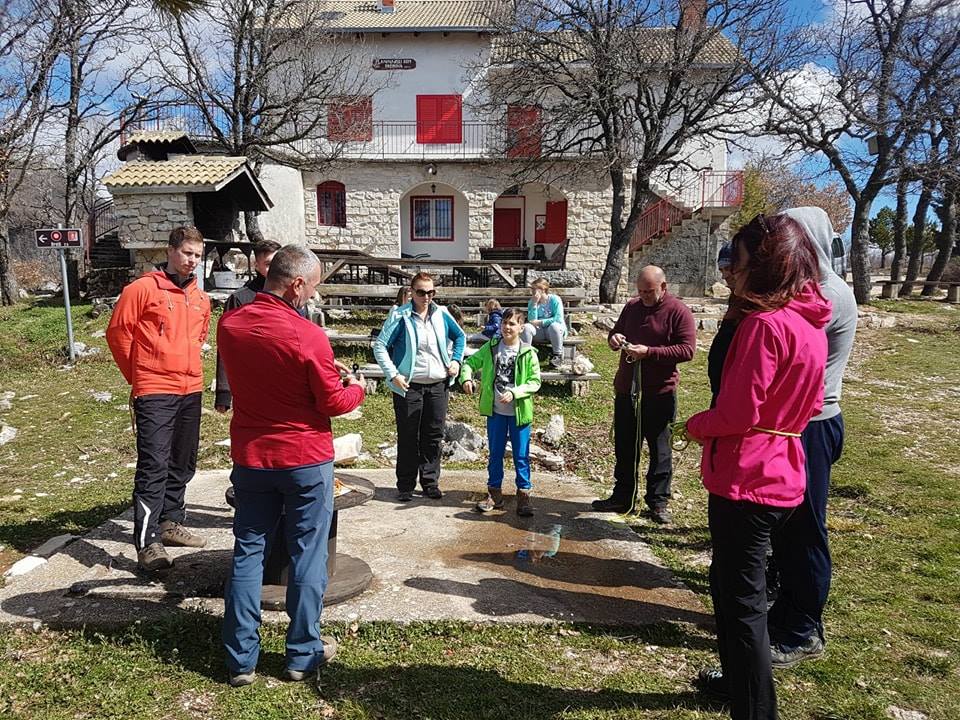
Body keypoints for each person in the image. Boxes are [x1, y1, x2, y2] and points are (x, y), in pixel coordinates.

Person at [685, 214, 831, 720]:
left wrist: (698, 425)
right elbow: (811, 406)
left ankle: (755, 709)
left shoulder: (764, 326)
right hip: (784, 471)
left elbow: (738, 412)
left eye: (739, 262)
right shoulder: (811, 325)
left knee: (742, 606)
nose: (733, 272)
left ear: (765, 265)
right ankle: (736, 687)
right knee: (730, 590)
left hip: (747, 479)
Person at [217, 244, 365, 687]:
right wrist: (355, 386)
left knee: (248, 551)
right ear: (296, 283)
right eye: (313, 288)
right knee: (307, 554)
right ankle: (302, 653)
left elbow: (264, 372)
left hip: (252, 456)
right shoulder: (308, 335)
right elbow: (333, 401)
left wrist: (318, 367)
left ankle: (240, 658)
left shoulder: (230, 324)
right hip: (303, 458)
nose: (313, 297)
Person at [767, 207, 857, 667]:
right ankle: (783, 610)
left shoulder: (827, 295)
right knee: (784, 530)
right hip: (790, 425)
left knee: (805, 531)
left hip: (812, 425)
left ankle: (802, 629)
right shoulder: (802, 290)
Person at [106, 226, 211, 573]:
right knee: (154, 465)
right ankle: (147, 541)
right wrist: (140, 377)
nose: (192, 261)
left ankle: (170, 523)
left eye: (197, 255)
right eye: (186, 253)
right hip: (154, 389)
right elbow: (118, 334)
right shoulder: (142, 289)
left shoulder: (201, 297)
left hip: (190, 388)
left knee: (184, 462)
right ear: (170, 251)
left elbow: (199, 338)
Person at [593, 265, 696, 524]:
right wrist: (615, 339)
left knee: (660, 448)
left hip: (659, 392)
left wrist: (649, 352)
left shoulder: (678, 311)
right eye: (640, 291)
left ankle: (658, 501)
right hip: (627, 389)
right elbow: (614, 334)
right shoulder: (632, 307)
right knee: (626, 445)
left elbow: (687, 350)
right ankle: (623, 496)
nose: (645, 297)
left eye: (649, 292)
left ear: (664, 287)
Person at [373, 273, 466, 502]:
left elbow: (461, 337)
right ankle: (405, 485)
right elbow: (380, 346)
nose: (427, 297)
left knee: (433, 435)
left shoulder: (442, 314)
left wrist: (456, 361)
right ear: (412, 292)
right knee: (408, 436)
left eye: (431, 292)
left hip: (438, 385)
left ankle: (430, 482)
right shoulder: (400, 315)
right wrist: (393, 374)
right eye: (422, 292)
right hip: (409, 386)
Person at [459, 308, 542, 516]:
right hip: (495, 412)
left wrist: (515, 393)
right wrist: (466, 378)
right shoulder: (491, 347)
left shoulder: (528, 353)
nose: (507, 327)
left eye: (513, 324)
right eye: (505, 323)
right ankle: (494, 493)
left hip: (519, 414)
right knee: (495, 454)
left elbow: (534, 381)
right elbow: (470, 363)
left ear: (521, 327)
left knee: (521, 456)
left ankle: (524, 494)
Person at [214, 240, 282, 413]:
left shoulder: (291, 297)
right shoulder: (240, 300)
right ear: (256, 265)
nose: (273, 269)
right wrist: (224, 392)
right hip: (250, 384)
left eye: (277, 263)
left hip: (284, 382)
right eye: (267, 264)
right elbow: (226, 347)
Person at [708, 243, 738, 406]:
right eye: (722, 270)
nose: (725, 275)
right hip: (720, 388)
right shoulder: (735, 298)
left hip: (733, 391)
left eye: (729, 268)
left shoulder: (751, 304)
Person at [520, 278, 566, 368]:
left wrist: (541, 322)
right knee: (526, 327)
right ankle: (525, 355)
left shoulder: (555, 299)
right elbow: (531, 320)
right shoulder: (532, 301)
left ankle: (557, 355)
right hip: (540, 331)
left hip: (554, 331)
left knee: (554, 326)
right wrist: (534, 304)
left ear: (543, 289)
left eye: (534, 289)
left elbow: (558, 318)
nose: (532, 291)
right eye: (531, 289)